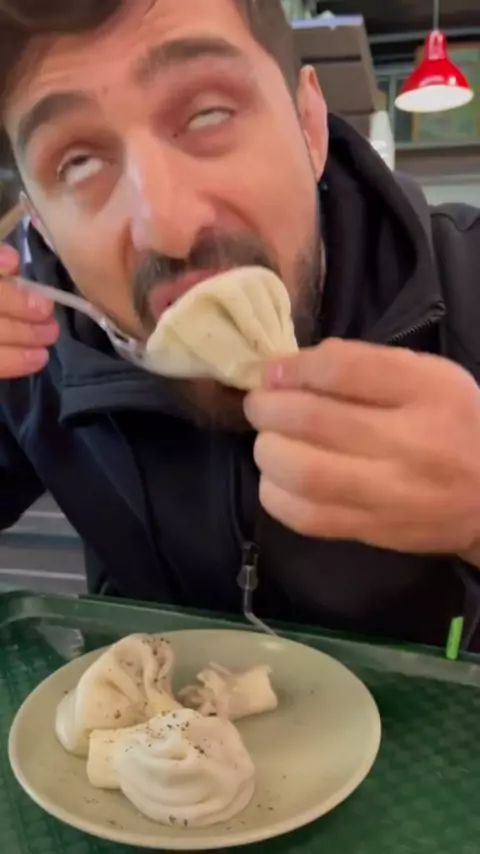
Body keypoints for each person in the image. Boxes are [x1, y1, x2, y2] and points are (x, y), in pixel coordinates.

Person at [0, 0, 479, 648]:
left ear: (310, 126)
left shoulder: (467, 280)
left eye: (208, 115)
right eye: (78, 163)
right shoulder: (34, 348)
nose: (166, 228)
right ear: (43, 227)